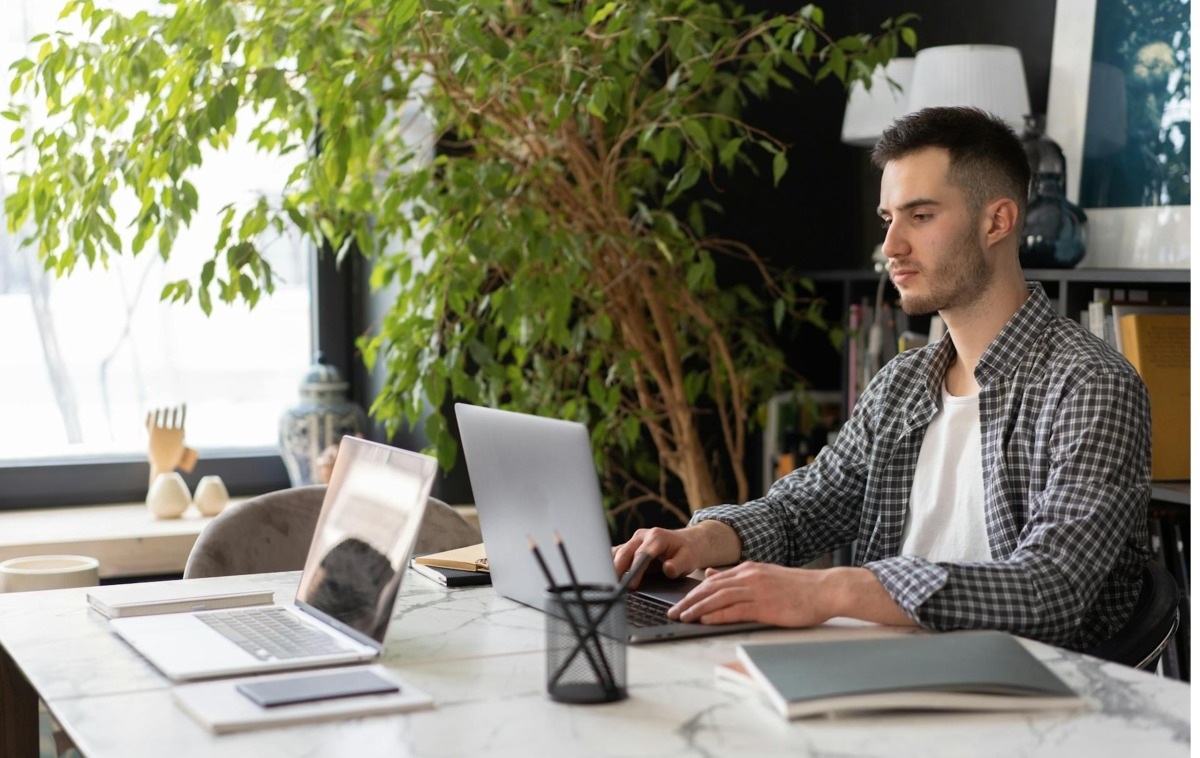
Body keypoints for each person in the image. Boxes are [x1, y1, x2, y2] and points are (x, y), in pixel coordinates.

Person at [612, 106, 1151, 651]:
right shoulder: (902, 382)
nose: (891, 247)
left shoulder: (1091, 385)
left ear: (997, 221)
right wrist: (702, 539)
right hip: (884, 670)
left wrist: (834, 590)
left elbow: (1050, 589)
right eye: (888, 219)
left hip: (1034, 695)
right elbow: (803, 511)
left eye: (919, 217)